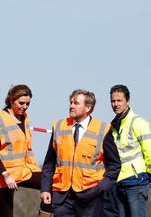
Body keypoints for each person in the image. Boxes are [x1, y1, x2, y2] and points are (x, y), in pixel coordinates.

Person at [40, 89, 121, 217]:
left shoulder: (103, 129)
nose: (71, 106)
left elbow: (115, 164)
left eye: (76, 103)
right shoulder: (59, 126)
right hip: (62, 196)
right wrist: (45, 189)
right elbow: (49, 162)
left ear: (88, 107)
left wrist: (102, 188)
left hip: (91, 195)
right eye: (71, 102)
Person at [0, 84, 52, 217]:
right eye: (21, 103)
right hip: (3, 175)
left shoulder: (24, 118)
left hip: (24, 170)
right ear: (11, 100)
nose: (25, 107)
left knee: (52, 184)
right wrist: (6, 176)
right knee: (6, 213)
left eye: (28, 104)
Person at [103, 85, 151, 217]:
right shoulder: (113, 126)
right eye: (113, 101)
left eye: (119, 100)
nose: (116, 104)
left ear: (128, 101)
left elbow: (149, 150)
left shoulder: (138, 122)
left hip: (136, 181)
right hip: (119, 182)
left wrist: (150, 174)